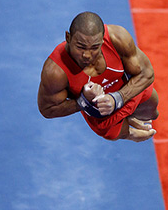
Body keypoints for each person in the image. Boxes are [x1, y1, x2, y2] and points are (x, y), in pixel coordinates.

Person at [37, 12, 158, 142]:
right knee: (113, 134)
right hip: (101, 114)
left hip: (128, 91)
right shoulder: (55, 71)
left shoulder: (117, 38)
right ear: (68, 37)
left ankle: (130, 121)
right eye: (80, 47)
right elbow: (47, 109)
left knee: (152, 114)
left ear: (102, 40)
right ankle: (129, 132)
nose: (87, 55)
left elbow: (147, 73)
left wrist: (118, 98)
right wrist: (83, 101)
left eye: (94, 47)